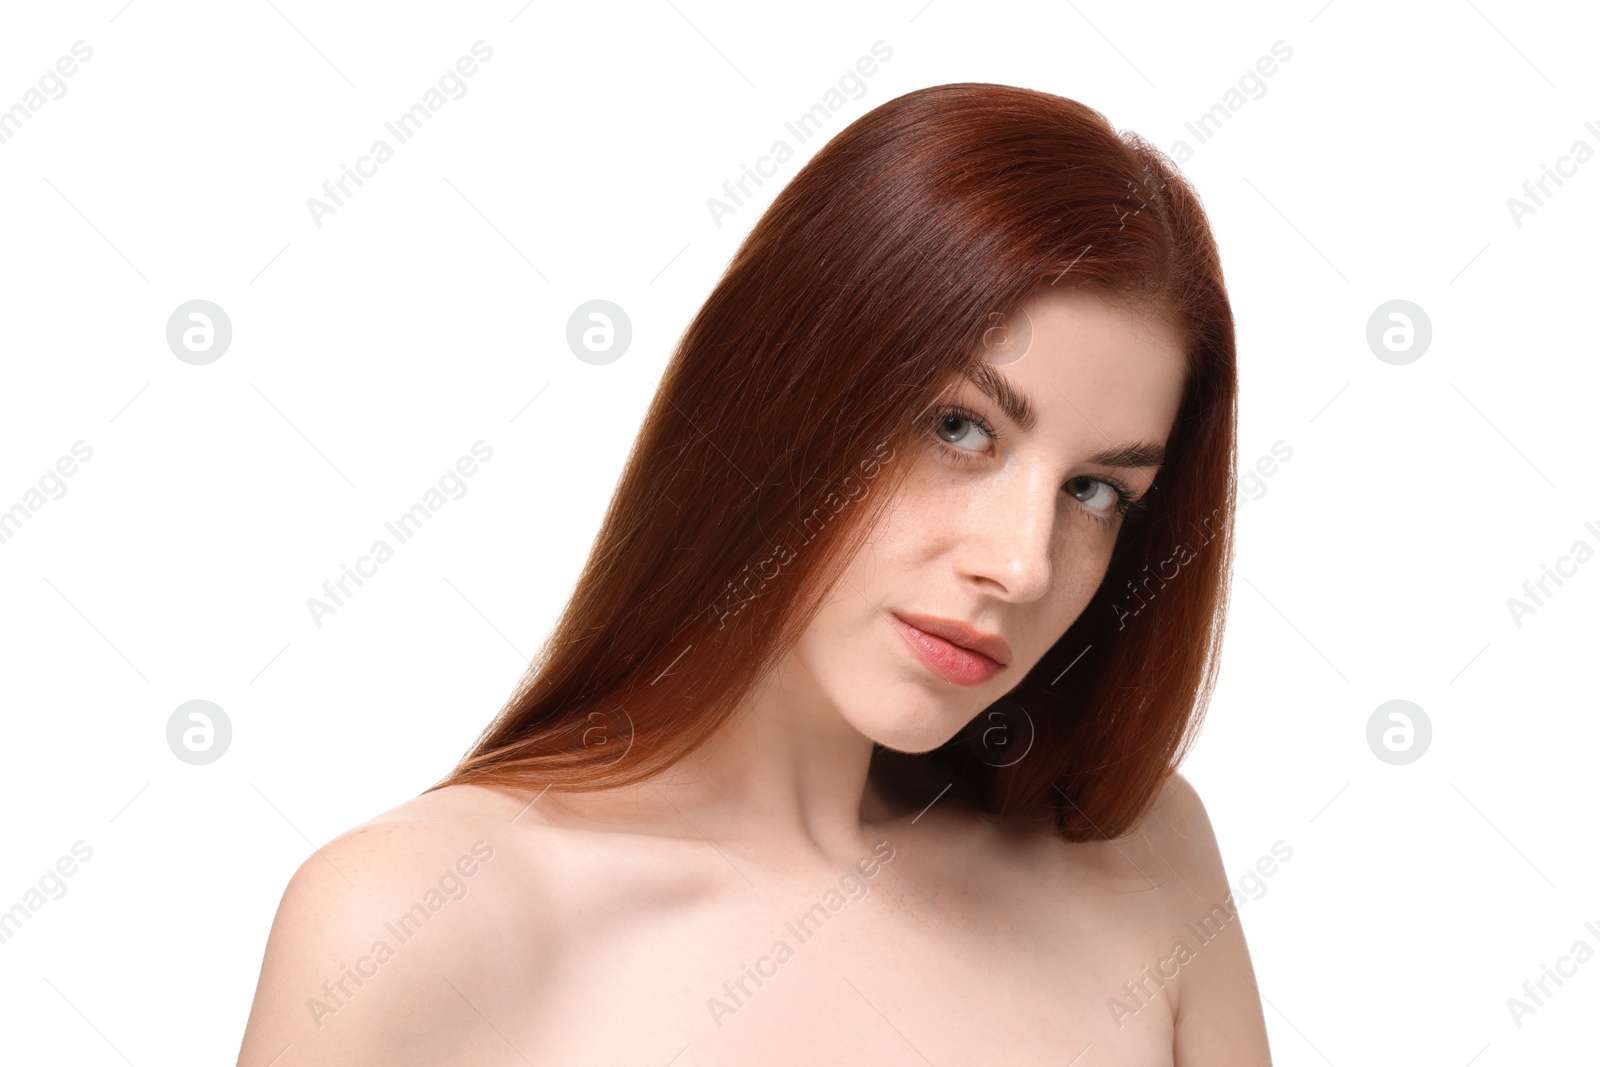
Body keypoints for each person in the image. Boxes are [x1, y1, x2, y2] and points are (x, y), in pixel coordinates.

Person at [236, 81, 1272, 1065]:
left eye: (1095, 491)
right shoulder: (416, 920)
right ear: (775, 397)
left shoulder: (1139, 862)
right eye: (958, 426)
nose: (1019, 562)